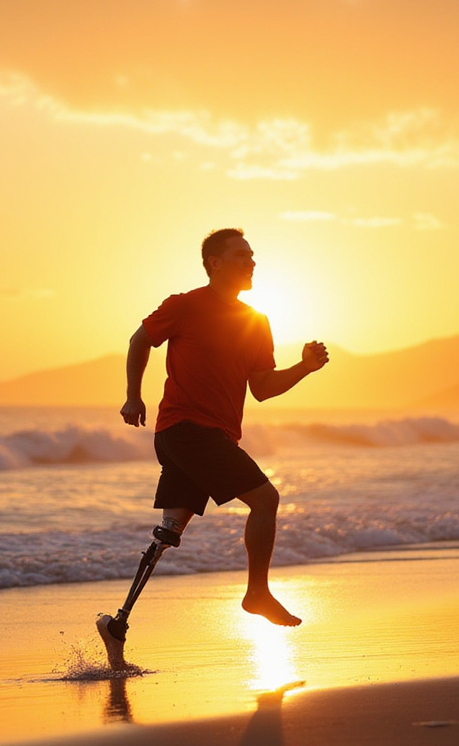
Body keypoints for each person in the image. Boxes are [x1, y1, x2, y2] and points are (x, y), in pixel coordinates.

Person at [100, 228, 328, 662]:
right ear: (215, 263)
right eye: (242, 256)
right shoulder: (186, 305)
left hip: (205, 437)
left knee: (170, 532)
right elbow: (139, 340)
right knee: (266, 499)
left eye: (253, 256)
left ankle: (117, 623)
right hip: (185, 430)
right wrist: (133, 394)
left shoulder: (255, 322)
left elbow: (262, 387)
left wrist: (304, 367)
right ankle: (257, 593)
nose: (251, 263)